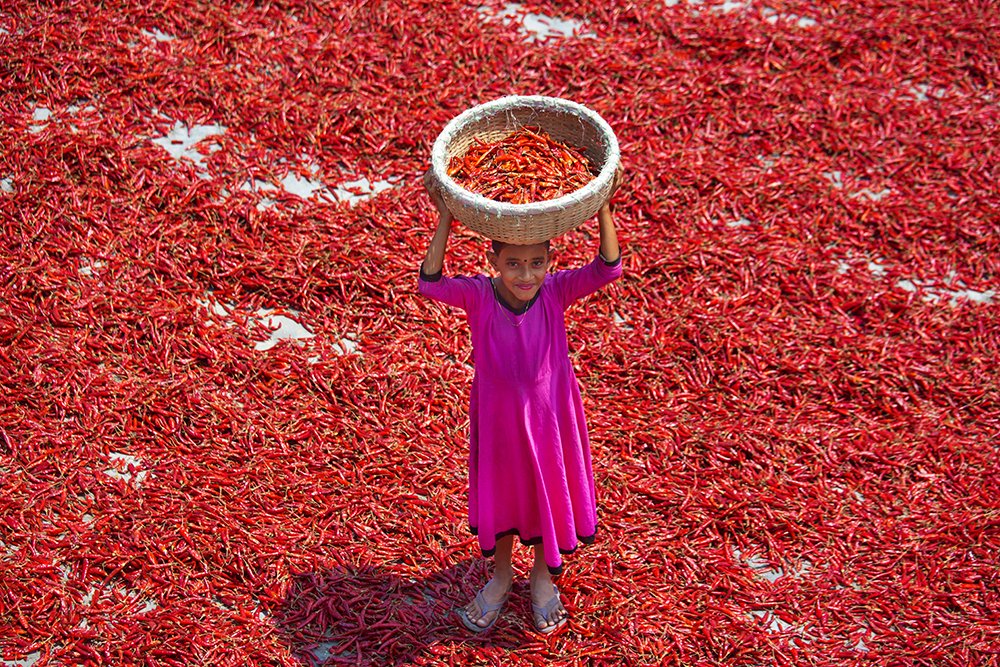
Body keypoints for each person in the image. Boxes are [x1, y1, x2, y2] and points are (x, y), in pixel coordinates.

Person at [418, 167, 623, 635]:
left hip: (551, 418)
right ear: (494, 262)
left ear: (549, 260)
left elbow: (608, 267)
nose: (525, 275)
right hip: (499, 420)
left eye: (536, 262)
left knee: (546, 489)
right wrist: (446, 217)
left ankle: (541, 577)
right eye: (513, 264)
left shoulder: (555, 292)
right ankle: (501, 575)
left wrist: (604, 203)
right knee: (506, 493)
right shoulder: (478, 296)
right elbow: (430, 283)